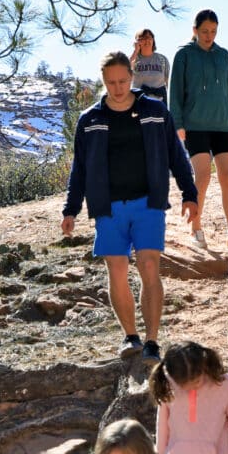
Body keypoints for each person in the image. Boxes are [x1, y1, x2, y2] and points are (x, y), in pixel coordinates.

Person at [61, 50, 198, 367]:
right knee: (117, 270)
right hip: (107, 208)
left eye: (123, 80)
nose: (118, 87)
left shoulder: (155, 111)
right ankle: (130, 336)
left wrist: (189, 194)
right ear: (103, 81)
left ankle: (152, 341)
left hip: (148, 202)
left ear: (132, 77)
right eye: (111, 82)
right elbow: (79, 169)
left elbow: (176, 155)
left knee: (149, 265)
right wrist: (71, 210)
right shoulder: (90, 119)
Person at [169, 9, 228, 255]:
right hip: (195, 126)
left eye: (213, 31)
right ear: (194, 30)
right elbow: (176, 92)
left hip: (222, 126)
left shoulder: (224, 56)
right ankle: (196, 229)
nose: (209, 36)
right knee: (202, 176)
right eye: (204, 31)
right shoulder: (184, 55)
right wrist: (178, 124)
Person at [130, 28, 170, 105]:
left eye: (149, 37)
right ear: (137, 42)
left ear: (153, 40)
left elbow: (168, 83)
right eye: (143, 38)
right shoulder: (134, 58)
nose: (147, 40)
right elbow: (125, 72)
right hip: (139, 103)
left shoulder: (162, 59)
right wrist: (135, 51)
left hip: (160, 103)